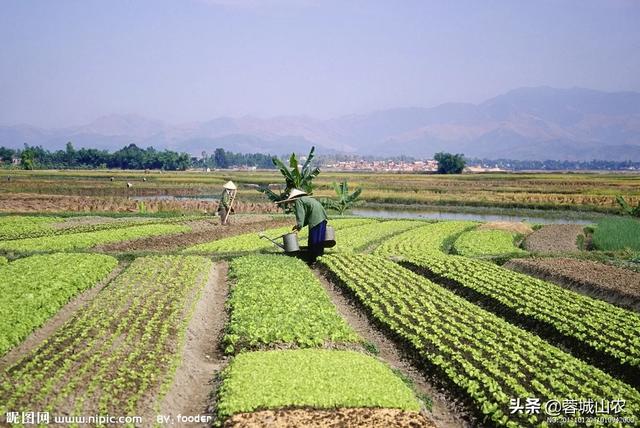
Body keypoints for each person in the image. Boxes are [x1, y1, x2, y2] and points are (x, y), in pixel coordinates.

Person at [277, 188, 328, 262]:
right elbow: (307, 217)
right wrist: (299, 226)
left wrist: (299, 226)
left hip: (315, 219)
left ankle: (312, 260)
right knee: (319, 240)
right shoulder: (306, 199)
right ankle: (319, 257)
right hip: (322, 218)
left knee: (313, 241)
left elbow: (301, 215)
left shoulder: (298, 201)